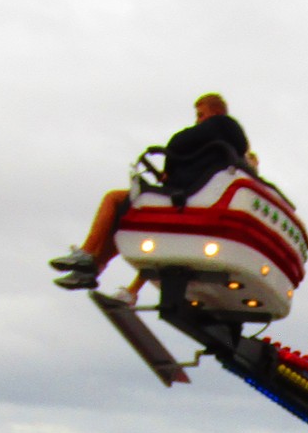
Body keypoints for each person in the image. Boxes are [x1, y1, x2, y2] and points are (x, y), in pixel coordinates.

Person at [50, 93, 255, 290]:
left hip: (183, 195)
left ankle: (86, 253)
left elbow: (178, 142)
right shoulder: (227, 150)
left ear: (215, 112)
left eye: (200, 115)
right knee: (125, 215)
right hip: (193, 194)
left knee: (113, 199)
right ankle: (93, 269)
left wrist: (169, 169)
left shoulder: (220, 125)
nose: (198, 121)